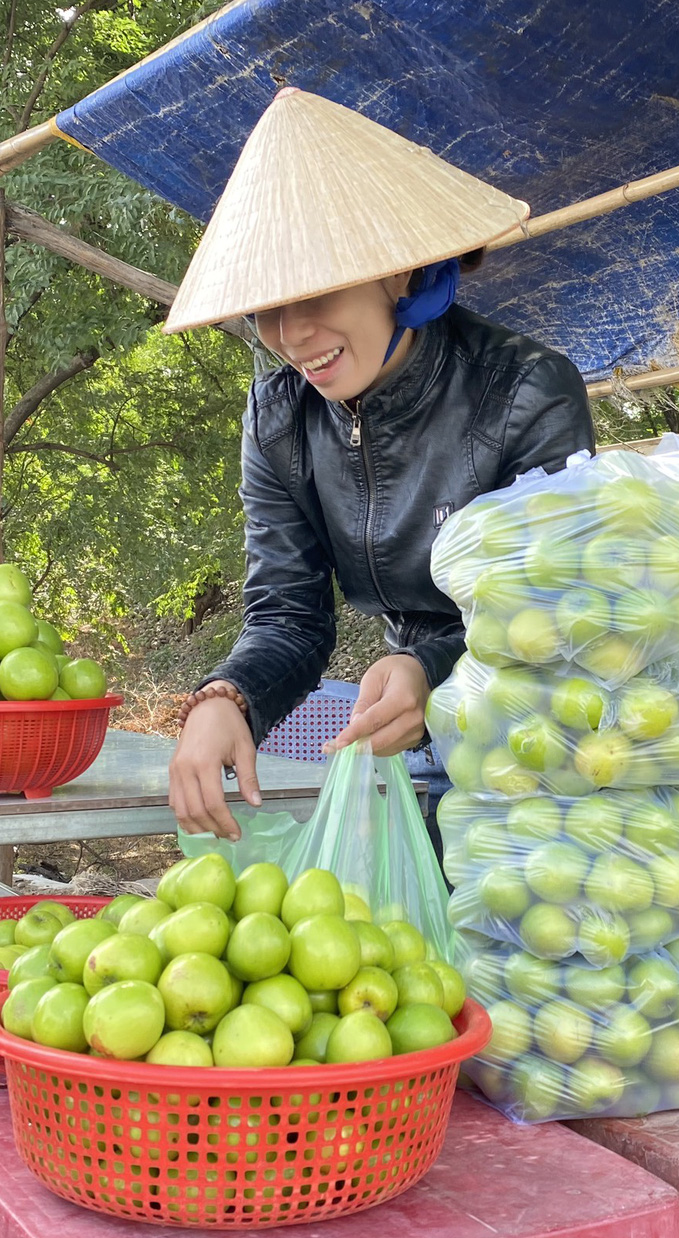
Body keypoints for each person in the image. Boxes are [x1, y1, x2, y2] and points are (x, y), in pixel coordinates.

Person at [165, 88, 594, 838]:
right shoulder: (279, 420)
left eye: (317, 291)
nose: (292, 335)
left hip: (550, 740)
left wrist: (432, 667)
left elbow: (558, 608)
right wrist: (226, 698)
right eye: (265, 307)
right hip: (414, 725)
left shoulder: (525, 391)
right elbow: (290, 616)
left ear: (399, 270)